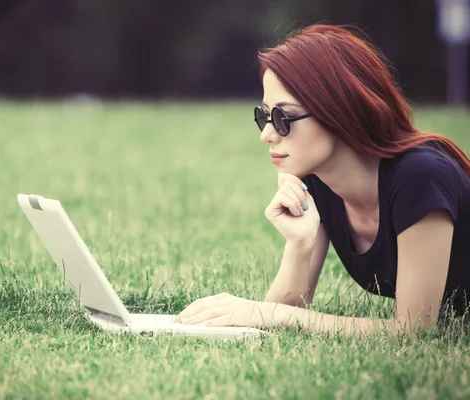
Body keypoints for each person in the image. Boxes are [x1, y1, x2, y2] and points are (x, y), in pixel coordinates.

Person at [177, 24, 470, 336]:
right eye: (265, 117)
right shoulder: (318, 181)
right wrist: (300, 243)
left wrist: (270, 313)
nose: (267, 135)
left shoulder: (420, 176)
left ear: (338, 111)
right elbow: (277, 317)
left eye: (283, 118)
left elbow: (414, 330)